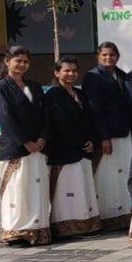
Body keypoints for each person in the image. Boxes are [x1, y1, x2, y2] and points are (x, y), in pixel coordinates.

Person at [0, 45, 51, 247]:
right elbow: (4, 117)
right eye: (18, 61)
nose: (22, 65)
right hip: (15, 149)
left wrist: (42, 138)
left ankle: (37, 230)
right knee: (17, 191)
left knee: (35, 190)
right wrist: (25, 142)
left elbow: (45, 115)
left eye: (25, 61)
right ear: (7, 62)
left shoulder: (34, 87)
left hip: (37, 149)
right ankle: (16, 233)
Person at [43, 56, 102, 239]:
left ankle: (85, 224)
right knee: (66, 191)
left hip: (83, 151)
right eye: (66, 70)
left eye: (74, 70)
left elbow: (90, 120)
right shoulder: (53, 95)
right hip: (64, 152)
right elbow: (61, 124)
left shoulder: (80, 94)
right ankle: (65, 227)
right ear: (57, 73)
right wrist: (80, 142)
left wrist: (91, 141)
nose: (71, 74)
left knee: (82, 188)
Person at [84, 42, 132, 231]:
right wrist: (104, 137)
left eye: (112, 55)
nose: (108, 58)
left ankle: (125, 215)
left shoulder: (122, 76)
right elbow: (95, 108)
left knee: (125, 173)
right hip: (107, 136)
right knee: (107, 175)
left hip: (124, 133)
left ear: (117, 56)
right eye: (104, 55)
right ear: (98, 56)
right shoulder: (92, 76)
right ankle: (107, 216)